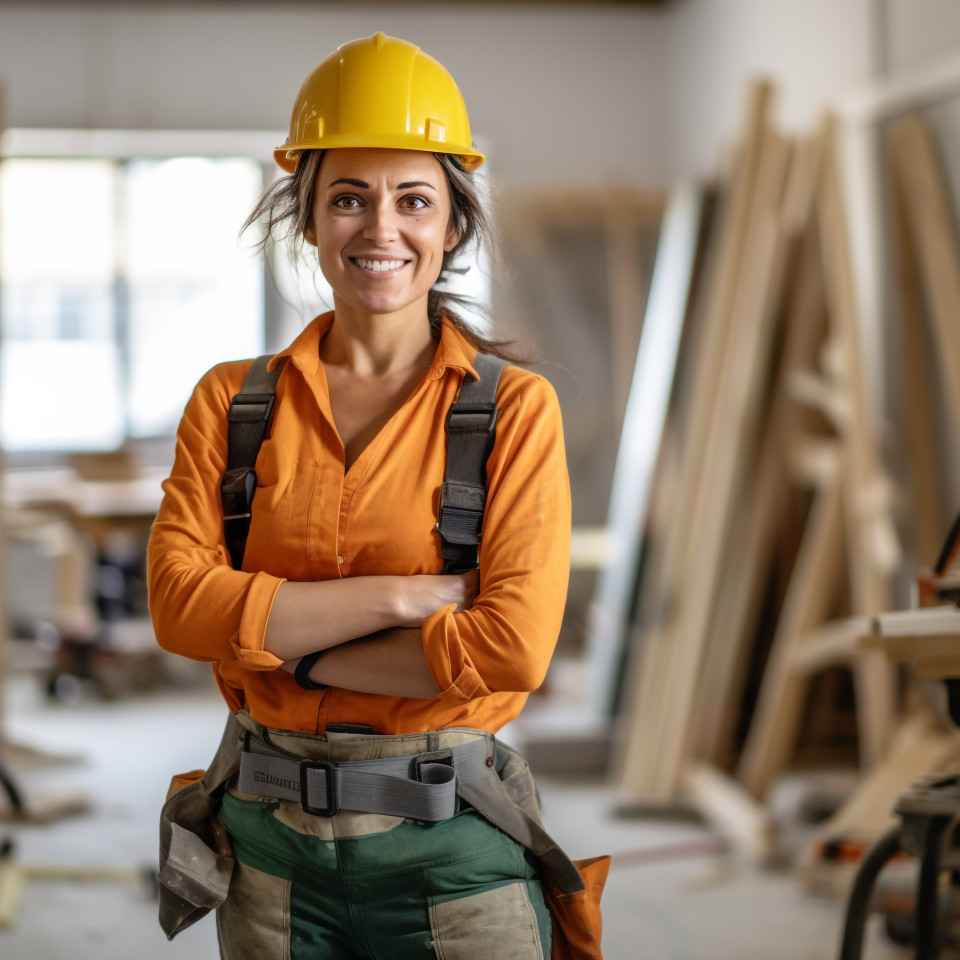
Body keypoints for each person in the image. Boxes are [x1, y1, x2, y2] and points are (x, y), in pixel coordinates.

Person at [148, 32, 606, 960]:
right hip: (268, 851)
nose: (381, 229)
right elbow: (176, 609)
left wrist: (292, 653)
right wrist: (402, 603)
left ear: (454, 224)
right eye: (348, 198)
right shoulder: (233, 402)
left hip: (454, 854)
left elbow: (511, 649)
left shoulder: (513, 408)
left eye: (414, 200)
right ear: (310, 219)